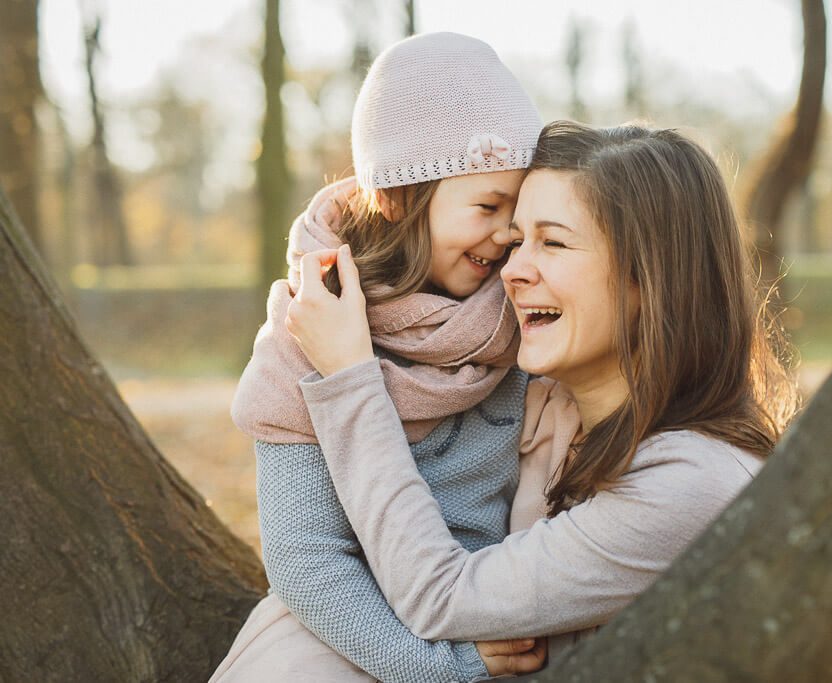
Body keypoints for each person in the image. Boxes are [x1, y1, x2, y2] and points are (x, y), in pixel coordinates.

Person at [286, 121, 800, 668]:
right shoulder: (553, 418)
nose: (512, 271)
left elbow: (441, 597)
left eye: (552, 242)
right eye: (515, 240)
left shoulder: (691, 482)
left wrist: (348, 376)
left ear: (650, 277)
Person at [211, 32, 550, 682]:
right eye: (487, 205)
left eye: (520, 205)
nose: (509, 233)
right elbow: (308, 561)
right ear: (396, 197)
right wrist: (446, 667)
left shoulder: (526, 311)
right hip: (347, 638)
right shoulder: (307, 332)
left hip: (494, 619)